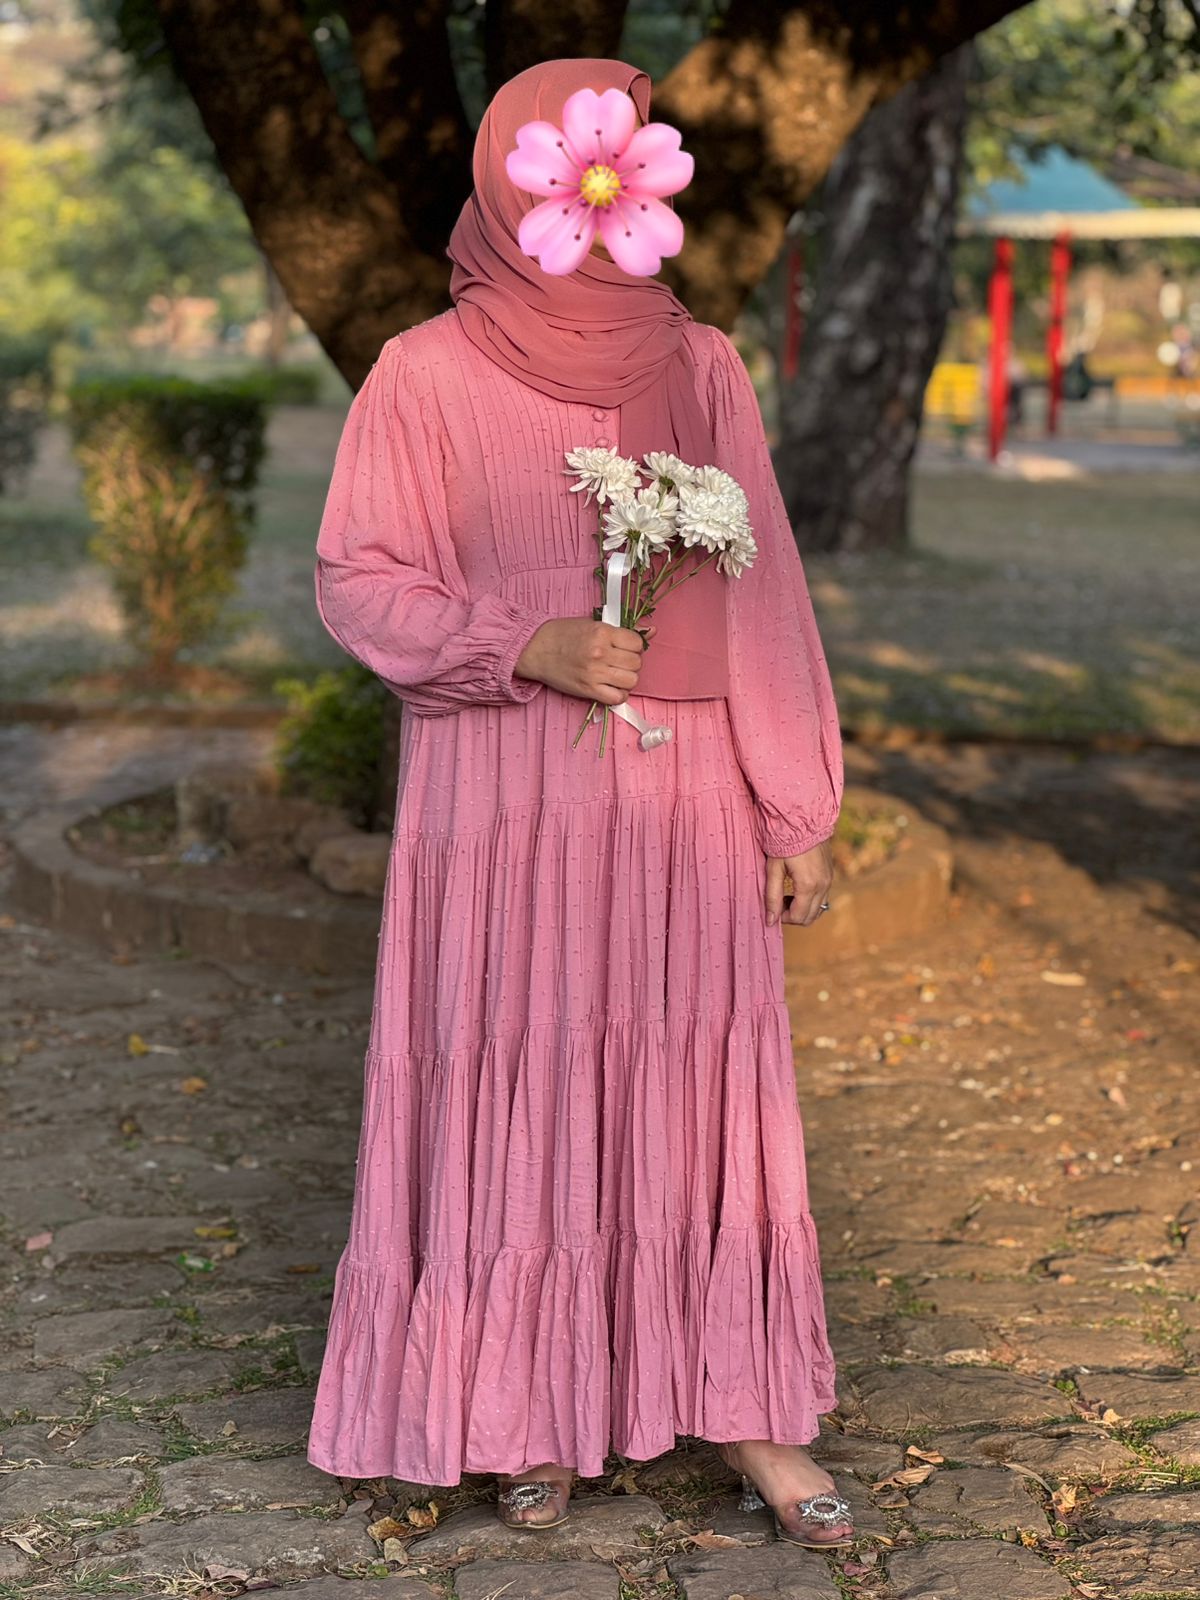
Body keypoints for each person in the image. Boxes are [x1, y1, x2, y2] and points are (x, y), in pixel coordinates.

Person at [305, 56, 852, 1549]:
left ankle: (748, 1410)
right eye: (571, 169)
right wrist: (522, 644)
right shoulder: (424, 371)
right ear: (516, 181)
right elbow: (360, 576)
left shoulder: (703, 364)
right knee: (522, 1070)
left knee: (695, 1092)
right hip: (503, 801)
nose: (600, 203)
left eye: (623, 168)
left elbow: (766, 593)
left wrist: (796, 803)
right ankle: (520, 1410)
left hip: (683, 807)